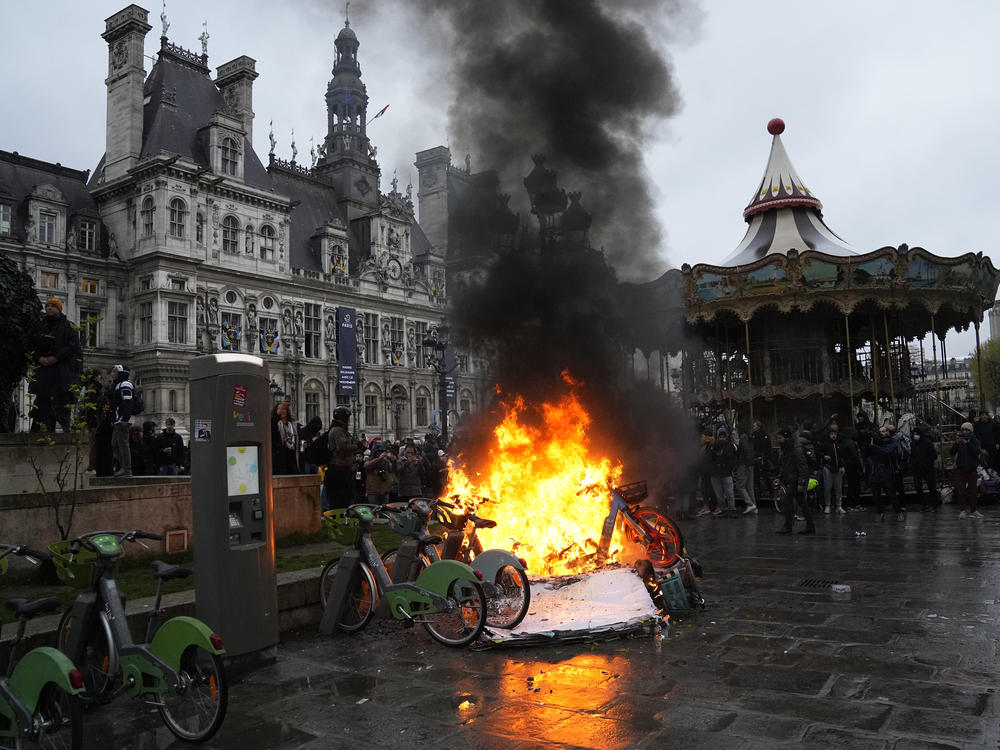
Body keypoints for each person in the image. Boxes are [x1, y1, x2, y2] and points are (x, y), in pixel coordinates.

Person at [29, 298, 82, 433]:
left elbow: (73, 347)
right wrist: (39, 358)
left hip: (61, 371)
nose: (50, 308)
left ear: (59, 309)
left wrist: (56, 358)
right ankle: (43, 429)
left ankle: (65, 428)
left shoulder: (69, 327)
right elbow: (30, 344)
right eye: (48, 306)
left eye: (53, 306)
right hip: (43, 370)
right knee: (43, 401)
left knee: (62, 401)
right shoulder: (38, 325)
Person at [775, 427, 814, 534]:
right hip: (791, 479)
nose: (778, 440)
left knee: (788, 501)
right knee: (801, 503)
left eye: (780, 438)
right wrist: (779, 477)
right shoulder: (785, 449)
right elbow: (784, 466)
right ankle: (810, 525)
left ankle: (788, 525)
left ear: (786, 438)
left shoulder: (795, 449)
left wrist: (801, 482)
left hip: (795, 480)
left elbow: (803, 466)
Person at [323, 406, 355, 510]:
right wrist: (357, 446)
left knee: (346, 499)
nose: (349, 420)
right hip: (338, 470)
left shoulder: (342, 430)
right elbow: (343, 448)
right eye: (348, 418)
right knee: (339, 500)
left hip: (343, 469)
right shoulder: (337, 430)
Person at [867, 425, 902, 521]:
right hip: (875, 471)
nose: (881, 433)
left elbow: (887, 451)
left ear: (888, 432)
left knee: (891, 494)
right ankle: (880, 513)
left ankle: (899, 512)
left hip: (886, 471)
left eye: (883, 431)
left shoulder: (893, 442)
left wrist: (874, 447)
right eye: (880, 432)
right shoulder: (877, 442)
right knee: (876, 495)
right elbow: (866, 453)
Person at [951, 421, 983, 519]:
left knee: (973, 491)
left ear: (970, 431)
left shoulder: (975, 440)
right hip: (961, 469)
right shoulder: (959, 441)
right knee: (961, 491)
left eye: (966, 430)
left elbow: (977, 452)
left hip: (972, 469)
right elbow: (951, 452)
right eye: (963, 430)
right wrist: (956, 443)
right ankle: (962, 510)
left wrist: (967, 443)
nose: (964, 432)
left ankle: (973, 510)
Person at [110, 364, 137, 476]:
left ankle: (126, 469)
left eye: (114, 372)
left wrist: (125, 418)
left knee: (123, 443)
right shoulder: (118, 385)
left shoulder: (125, 384)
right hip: (119, 418)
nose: (112, 374)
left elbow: (127, 402)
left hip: (123, 419)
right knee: (115, 443)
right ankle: (123, 467)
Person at [709, 426, 737, 517]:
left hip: (725, 473)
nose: (722, 439)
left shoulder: (729, 446)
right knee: (719, 494)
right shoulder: (713, 446)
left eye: (723, 437)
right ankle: (723, 508)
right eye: (720, 437)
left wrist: (723, 454)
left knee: (729, 493)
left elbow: (732, 457)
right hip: (716, 473)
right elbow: (710, 458)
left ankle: (731, 509)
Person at [910, 424, 939, 512]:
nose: (915, 436)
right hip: (917, 468)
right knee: (918, 487)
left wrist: (926, 462)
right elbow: (912, 455)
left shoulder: (927, 442)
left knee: (931, 487)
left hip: (927, 468)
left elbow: (933, 455)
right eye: (914, 434)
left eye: (916, 434)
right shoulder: (913, 443)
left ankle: (934, 505)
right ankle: (923, 504)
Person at [819, 426, 846, 514]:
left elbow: (842, 457)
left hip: (838, 468)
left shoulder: (839, 445)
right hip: (828, 468)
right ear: (829, 435)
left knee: (838, 488)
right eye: (832, 434)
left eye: (835, 434)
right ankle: (828, 505)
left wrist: (842, 466)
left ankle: (839, 505)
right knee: (828, 488)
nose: (833, 436)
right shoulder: (825, 444)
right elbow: (818, 452)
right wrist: (824, 456)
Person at [271, 400, 299, 475]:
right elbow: (273, 421)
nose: (283, 411)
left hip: (293, 456)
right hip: (281, 457)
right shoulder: (276, 424)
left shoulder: (293, 424)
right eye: (280, 409)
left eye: (284, 409)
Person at [734, 426, 757, 514]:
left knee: (740, 485)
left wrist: (747, 463)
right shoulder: (749, 437)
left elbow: (746, 450)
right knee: (749, 487)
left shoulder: (743, 437)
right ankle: (754, 507)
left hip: (744, 464)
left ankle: (750, 504)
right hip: (750, 463)